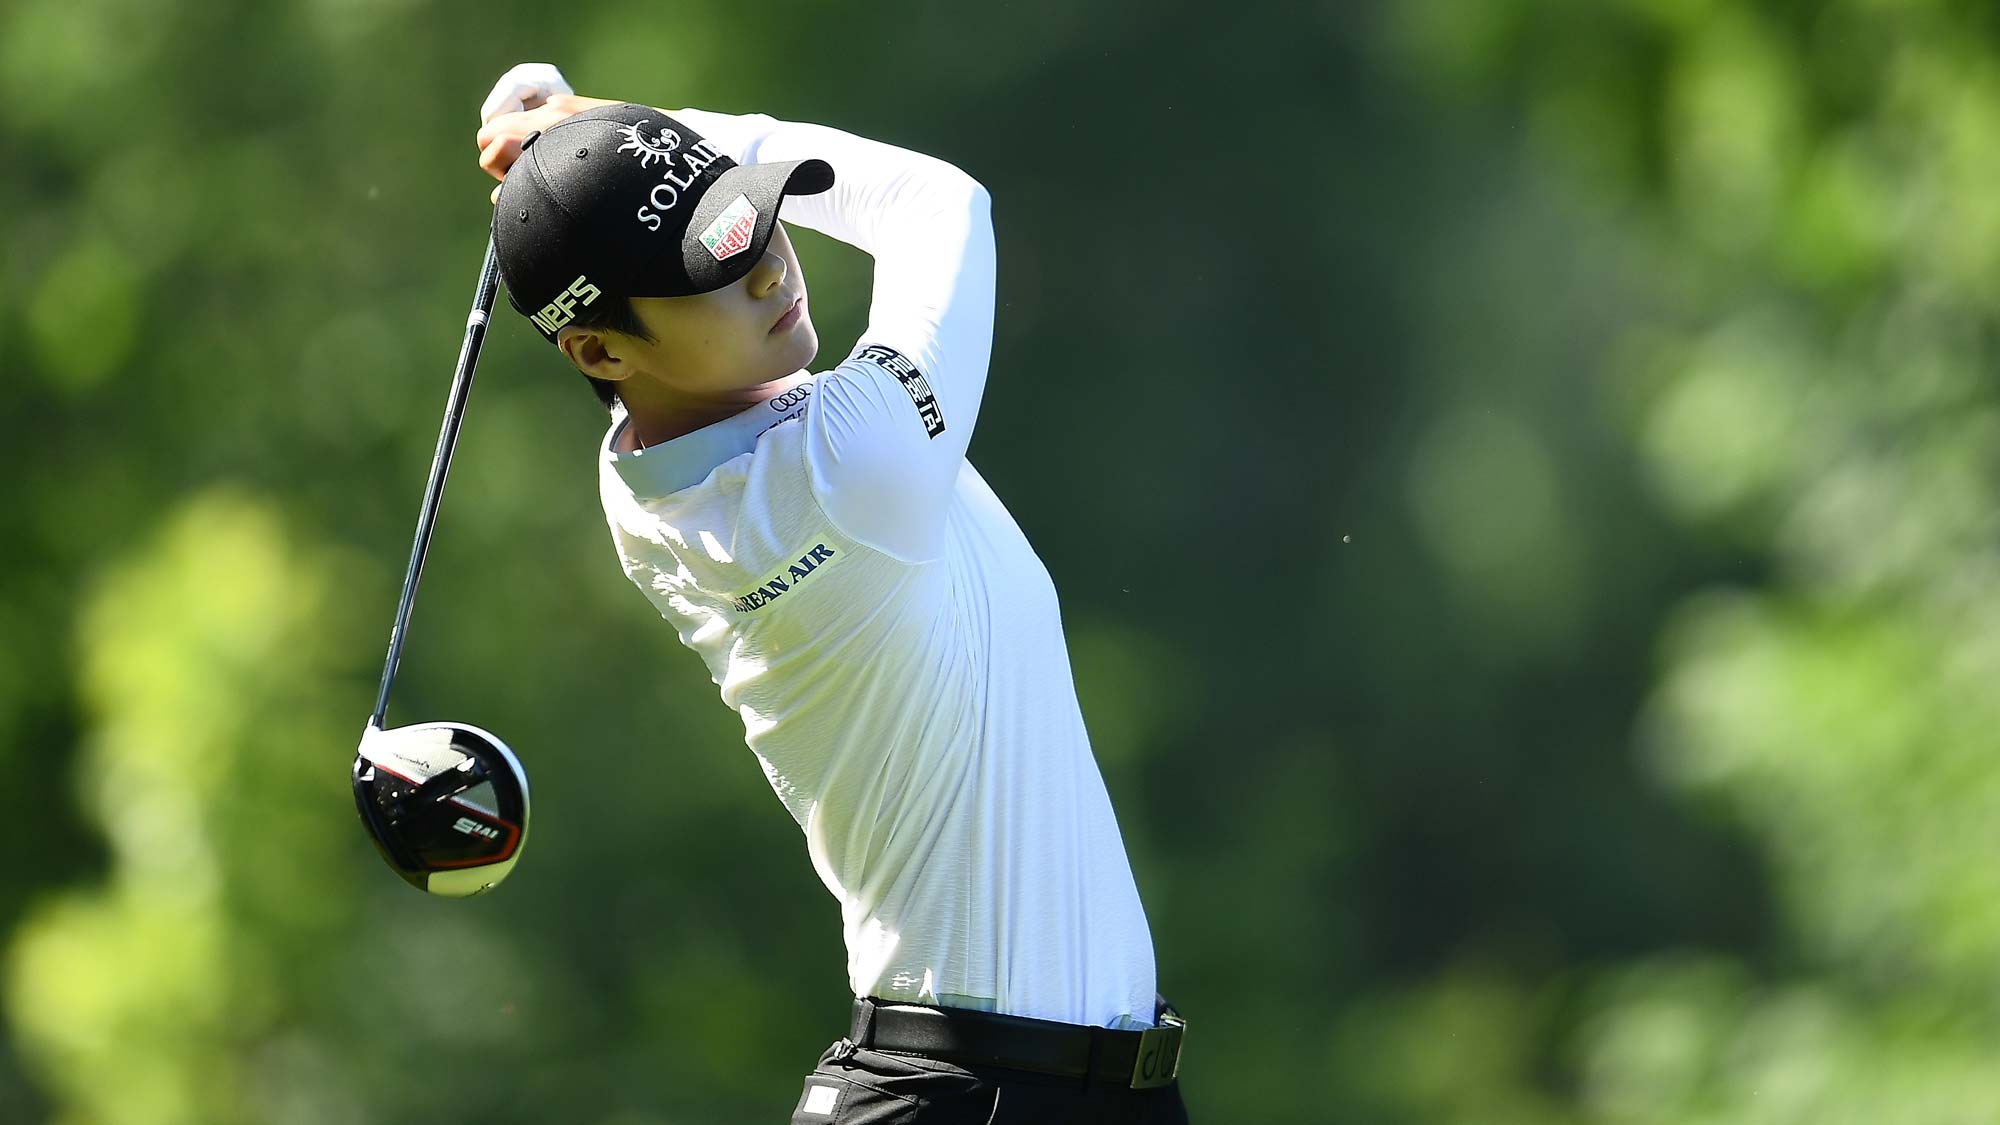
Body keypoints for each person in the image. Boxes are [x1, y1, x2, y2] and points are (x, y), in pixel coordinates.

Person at [475, 63, 1188, 1124]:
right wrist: (653, 128)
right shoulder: (846, 470)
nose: (768, 270)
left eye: (753, 222)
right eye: (711, 267)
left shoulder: (657, 459)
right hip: (969, 1097)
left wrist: (625, 153)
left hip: (1021, 1090)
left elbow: (656, 361)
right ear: (599, 347)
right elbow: (941, 203)